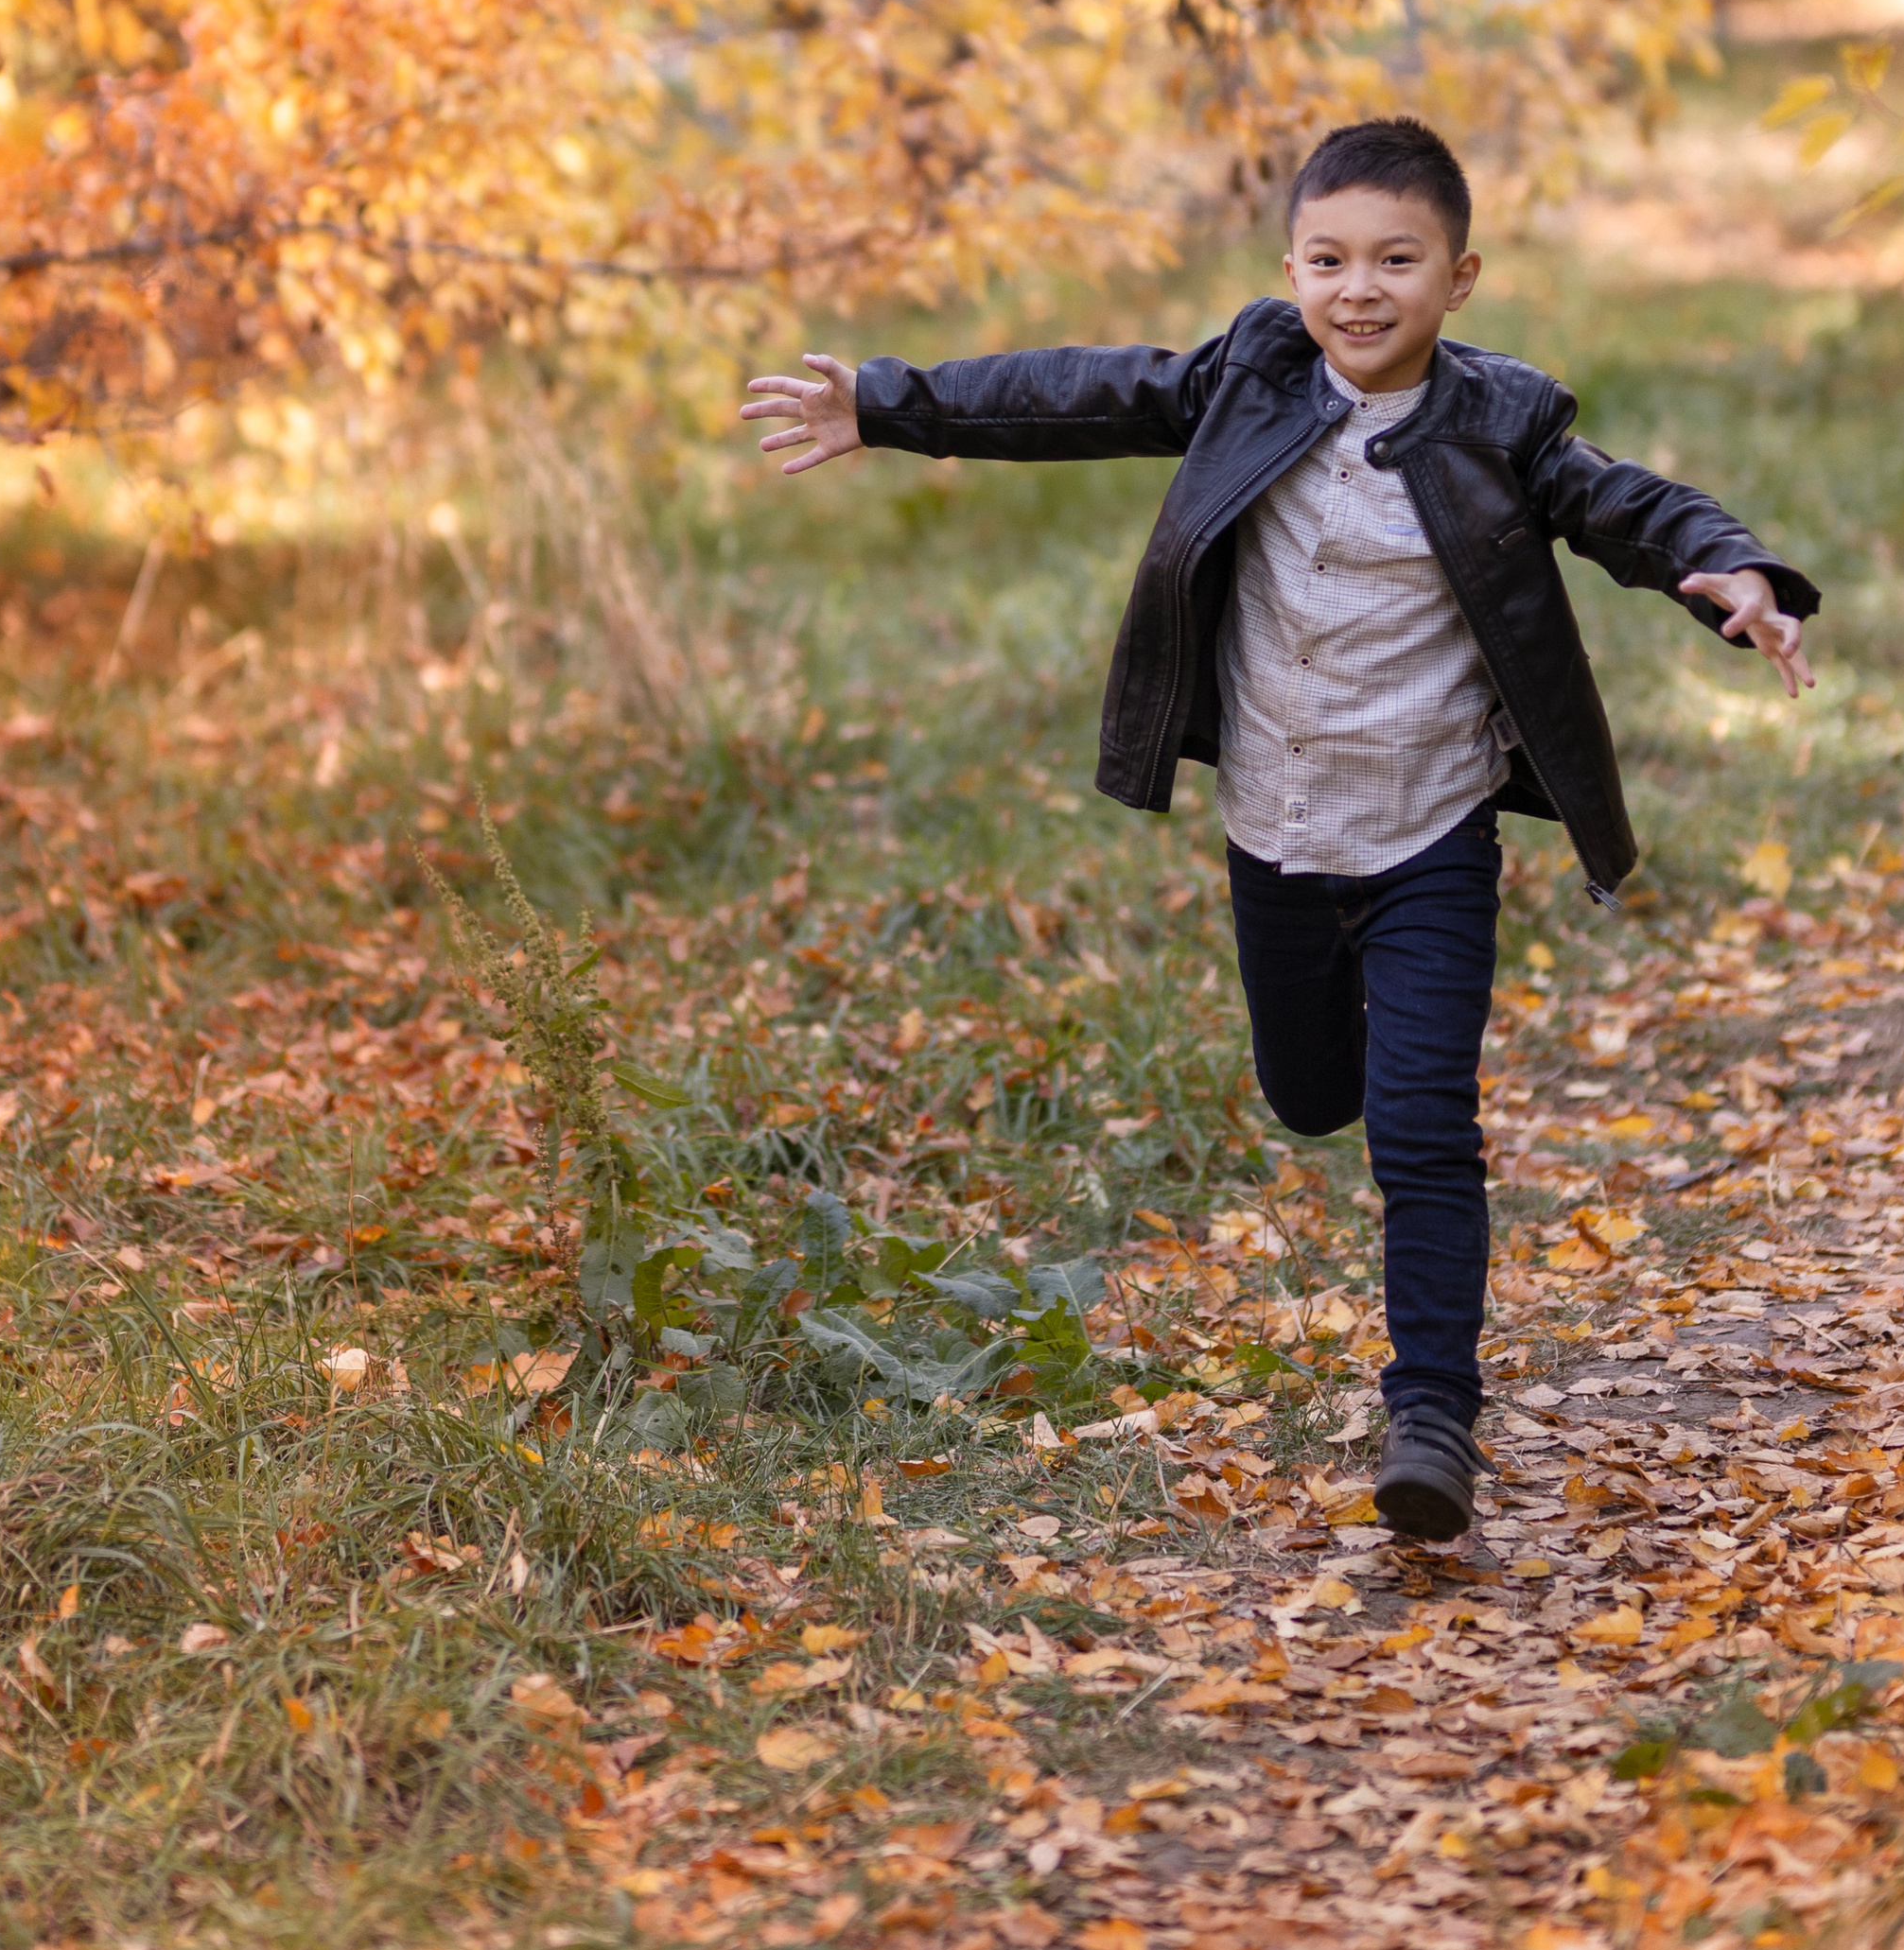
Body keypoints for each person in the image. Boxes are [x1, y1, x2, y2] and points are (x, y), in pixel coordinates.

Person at [739, 114, 1817, 1546]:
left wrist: (1726, 564)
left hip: (1430, 832)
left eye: (1395, 261)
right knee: (1312, 1095)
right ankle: (1367, 1079)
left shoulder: (1505, 420)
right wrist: (889, 402)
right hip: (1278, 827)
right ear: (1290, 270)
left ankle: (1432, 1414)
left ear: (1460, 276)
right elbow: (1087, 393)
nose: (1358, 290)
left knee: (1426, 1128)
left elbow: (1626, 504)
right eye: (1328, 260)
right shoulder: (1252, 371)